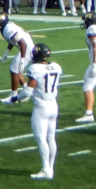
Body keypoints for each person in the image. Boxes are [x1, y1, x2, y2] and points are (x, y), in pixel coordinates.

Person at [16, 43, 62, 179]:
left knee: (41, 138)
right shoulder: (56, 66)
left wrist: (15, 98)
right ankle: (50, 168)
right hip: (54, 105)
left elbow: (28, 91)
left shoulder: (35, 68)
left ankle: (46, 169)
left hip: (41, 107)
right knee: (51, 137)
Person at [0, 13, 34, 104]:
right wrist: (6, 52)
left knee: (14, 69)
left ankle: (13, 95)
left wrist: (22, 60)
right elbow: (13, 40)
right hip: (27, 48)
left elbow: (22, 44)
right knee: (15, 69)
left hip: (26, 49)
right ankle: (26, 90)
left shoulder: (8, 29)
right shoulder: (8, 26)